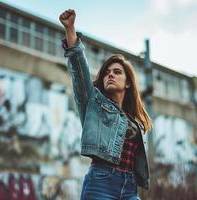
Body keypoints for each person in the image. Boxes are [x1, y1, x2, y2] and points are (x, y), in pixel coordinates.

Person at [59, 9, 153, 200]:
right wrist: (70, 30)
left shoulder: (133, 119)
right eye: (107, 72)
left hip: (129, 188)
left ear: (127, 82)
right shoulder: (93, 102)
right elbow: (79, 69)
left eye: (117, 72)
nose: (110, 74)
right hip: (101, 183)